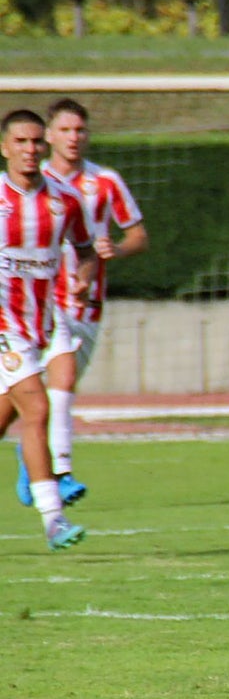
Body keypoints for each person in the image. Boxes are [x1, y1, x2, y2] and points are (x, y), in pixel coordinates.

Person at [6, 98, 149, 508]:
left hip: (84, 304)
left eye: (80, 130)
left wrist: (114, 252)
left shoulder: (104, 182)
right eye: (64, 130)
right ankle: (59, 474)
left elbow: (138, 236)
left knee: (31, 401)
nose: (73, 138)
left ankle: (36, 460)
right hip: (31, 310)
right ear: (47, 136)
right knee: (54, 388)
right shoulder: (24, 183)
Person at [0, 108, 97, 549]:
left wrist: (84, 276)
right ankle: (54, 520)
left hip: (39, 324)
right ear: (4, 147)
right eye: (20, 141)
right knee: (37, 410)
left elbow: (85, 246)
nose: (30, 149)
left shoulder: (63, 199)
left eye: (36, 141)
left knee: (8, 415)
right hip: (5, 326)